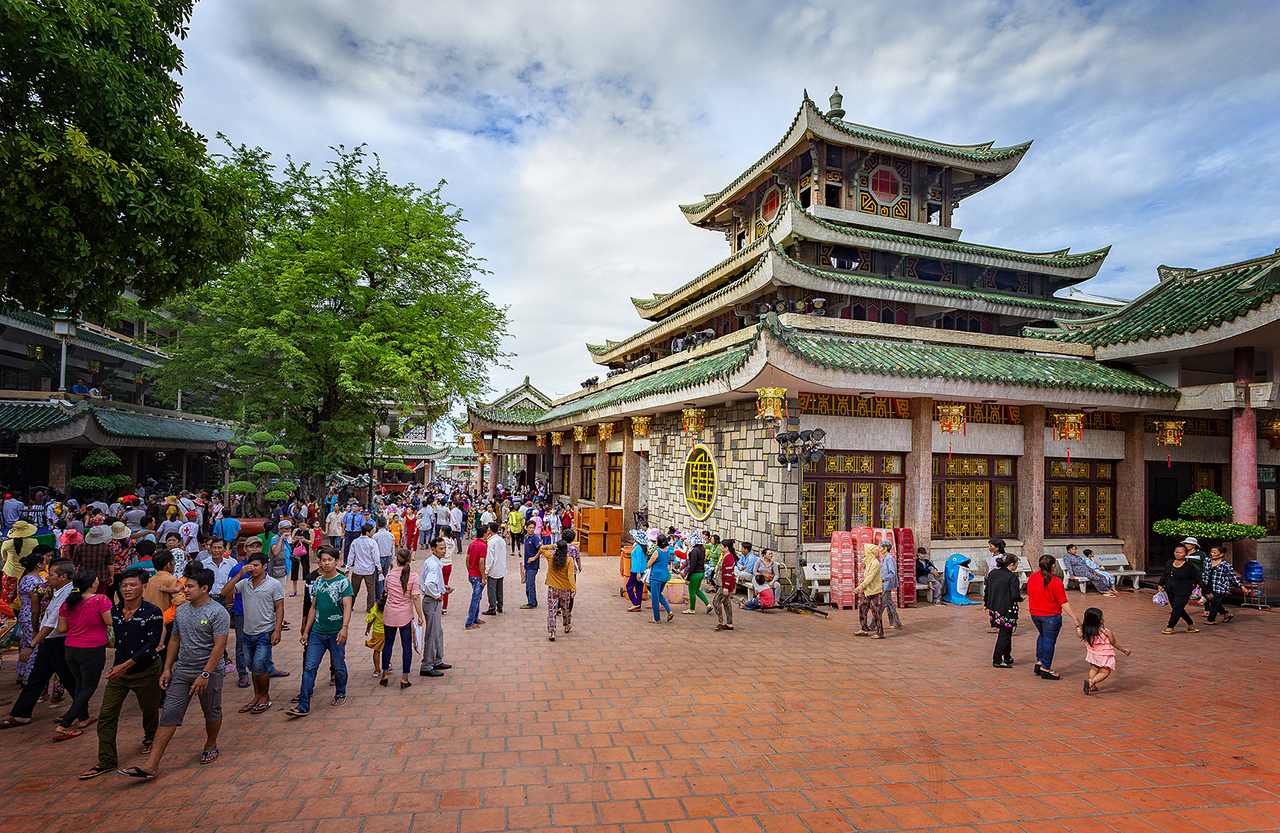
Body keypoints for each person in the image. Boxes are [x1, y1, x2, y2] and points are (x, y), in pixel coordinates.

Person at [118, 567, 229, 777]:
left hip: (209, 673)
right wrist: (167, 668)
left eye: (190, 587)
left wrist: (205, 674)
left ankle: (211, 743)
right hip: (183, 671)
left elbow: (219, 647)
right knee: (169, 714)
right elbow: (175, 639)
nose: (185, 590)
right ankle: (151, 764)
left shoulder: (217, 612)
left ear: (204, 589)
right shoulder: (182, 610)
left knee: (211, 711)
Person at [79, 568, 163, 779]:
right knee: (107, 715)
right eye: (124, 585)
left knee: (149, 709)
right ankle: (107, 760)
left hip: (146, 670)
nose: (127, 589)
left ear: (143, 587)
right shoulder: (114, 612)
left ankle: (150, 737)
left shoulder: (153, 612)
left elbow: (152, 645)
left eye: (132, 585)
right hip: (119, 675)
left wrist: (123, 666)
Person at [0, 560, 76, 729]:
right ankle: (21, 713)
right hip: (48, 641)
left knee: (67, 678)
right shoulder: (57, 591)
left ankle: (80, 711)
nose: (47, 577)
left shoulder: (67, 594)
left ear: (63, 577)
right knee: (37, 678)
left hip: (57, 641)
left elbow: (51, 624)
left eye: (51, 575)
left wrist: (31, 645)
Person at [287, 547, 353, 717]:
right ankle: (303, 704)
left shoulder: (343, 582)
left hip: (336, 632)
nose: (326, 563)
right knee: (309, 667)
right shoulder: (317, 582)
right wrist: (306, 631)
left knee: (338, 666)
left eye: (330, 560)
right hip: (317, 631)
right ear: (319, 562)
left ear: (336, 561)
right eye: (323, 560)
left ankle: (340, 692)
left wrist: (344, 627)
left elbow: (347, 606)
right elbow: (313, 608)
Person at [53, 570, 113, 741]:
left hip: (71, 648)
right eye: (96, 580)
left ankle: (84, 717)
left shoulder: (67, 603)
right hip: (91, 649)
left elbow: (61, 629)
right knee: (88, 687)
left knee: (80, 683)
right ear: (92, 584)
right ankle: (65, 724)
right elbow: (109, 621)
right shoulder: (100, 599)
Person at [222, 552, 284, 715]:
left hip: (265, 632)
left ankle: (265, 697)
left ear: (265, 566)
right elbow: (225, 591)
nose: (253, 568)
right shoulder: (244, 583)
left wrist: (277, 630)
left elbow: (279, 607)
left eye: (257, 565)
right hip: (247, 632)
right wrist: (240, 574)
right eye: (251, 565)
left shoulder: (273, 584)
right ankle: (257, 696)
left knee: (259, 665)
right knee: (253, 667)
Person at [1026, 554, 1080, 681]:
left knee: (1042, 636)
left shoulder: (1033, 577)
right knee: (1049, 640)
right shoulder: (1055, 582)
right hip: (1050, 615)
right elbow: (1063, 601)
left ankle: (1040, 661)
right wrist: (1074, 617)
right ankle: (1046, 667)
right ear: (1053, 566)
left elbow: (1029, 592)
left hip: (1035, 613)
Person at [380, 548, 423, 689]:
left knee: (388, 644)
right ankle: (405, 677)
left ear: (396, 561)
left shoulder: (390, 575)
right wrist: (420, 616)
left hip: (390, 614)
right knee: (406, 646)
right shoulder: (414, 576)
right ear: (409, 560)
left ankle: (384, 674)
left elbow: (385, 592)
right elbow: (416, 597)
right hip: (405, 615)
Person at [418, 536, 453, 678]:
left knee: (437, 631)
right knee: (432, 634)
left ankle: (437, 660)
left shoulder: (435, 562)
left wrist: (442, 588)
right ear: (433, 549)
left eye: (444, 548)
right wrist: (437, 594)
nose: (443, 551)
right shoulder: (433, 564)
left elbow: (432, 582)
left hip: (434, 601)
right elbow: (428, 584)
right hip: (431, 602)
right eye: (441, 548)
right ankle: (427, 665)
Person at [1078, 607, 1131, 695]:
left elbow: (1080, 635)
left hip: (1093, 653)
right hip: (1104, 654)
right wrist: (1123, 650)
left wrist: (1079, 628)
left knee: (1094, 669)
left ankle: (1093, 687)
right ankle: (1092, 682)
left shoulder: (1086, 631)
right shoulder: (1106, 632)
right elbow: (1114, 643)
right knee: (1105, 672)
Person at [985, 554, 1022, 668]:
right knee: (1005, 634)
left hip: (995, 608)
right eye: (1016, 564)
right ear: (1011, 565)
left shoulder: (993, 573)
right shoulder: (1012, 577)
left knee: (1007, 632)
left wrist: (986, 603)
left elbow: (987, 589)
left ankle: (1007, 656)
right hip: (1007, 609)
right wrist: (1021, 599)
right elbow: (1015, 595)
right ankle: (997, 659)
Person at [1158, 544, 1201, 635]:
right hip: (1171, 589)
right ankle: (1190, 623)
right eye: (1176, 552)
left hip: (1184, 591)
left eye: (1180, 553)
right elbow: (1165, 574)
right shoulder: (1170, 562)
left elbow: (1197, 578)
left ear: (1186, 554)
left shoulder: (1189, 566)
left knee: (1177, 608)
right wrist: (1160, 584)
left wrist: (1207, 591)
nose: (1178, 554)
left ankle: (1170, 627)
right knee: (1177, 608)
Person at [543, 538, 576, 641]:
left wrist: (551, 546)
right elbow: (571, 576)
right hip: (565, 589)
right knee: (565, 608)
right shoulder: (569, 560)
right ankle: (566, 626)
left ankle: (552, 632)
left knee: (552, 610)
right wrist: (573, 589)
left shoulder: (550, 557)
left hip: (552, 588)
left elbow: (542, 548)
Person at [1202, 545, 1242, 625]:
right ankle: (1225, 613)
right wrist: (1201, 583)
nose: (1212, 554)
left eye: (1215, 552)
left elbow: (1233, 576)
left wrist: (1241, 586)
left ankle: (1211, 619)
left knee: (1214, 602)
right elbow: (1204, 573)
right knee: (1213, 601)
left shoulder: (1225, 565)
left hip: (1219, 586)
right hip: (1208, 584)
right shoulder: (1207, 561)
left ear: (1221, 554)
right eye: (1212, 552)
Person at [346, 523, 380, 613]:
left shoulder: (355, 542)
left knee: (354, 589)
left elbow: (351, 556)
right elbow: (376, 557)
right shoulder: (372, 542)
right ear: (368, 533)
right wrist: (379, 567)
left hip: (358, 569)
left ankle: (350, 606)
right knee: (371, 590)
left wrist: (347, 568)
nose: (373, 533)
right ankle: (370, 608)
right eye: (372, 531)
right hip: (369, 570)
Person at [854, 544, 885, 638]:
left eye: (865, 550)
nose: (863, 552)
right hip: (867, 591)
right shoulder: (867, 562)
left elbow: (870, 578)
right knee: (862, 609)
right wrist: (863, 581)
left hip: (874, 591)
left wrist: (859, 587)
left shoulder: (875, 563)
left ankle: (880, 633)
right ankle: (864, 628)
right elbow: (867, 577)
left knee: (876, 612)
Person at [646, 534, 674, 624]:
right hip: (664, 576)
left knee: (655, 598)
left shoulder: (657, 552)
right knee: (659, 595)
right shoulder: (668, 551)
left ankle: (657, 618)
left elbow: (649, 564)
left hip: (656, 577)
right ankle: (669, 611)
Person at [463, 528, 488, 631]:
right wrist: (483, 577)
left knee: (477, 597)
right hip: (478, 575)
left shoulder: (472, 544)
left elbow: (467, 559)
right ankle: (469, 622)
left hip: (472, 574)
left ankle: (475, 618)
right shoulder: (483, 546)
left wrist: (470, 571)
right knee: (475, 598)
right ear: (485, 534)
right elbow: (481, 562)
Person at [483, 522, 507, 616]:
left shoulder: (491, 542)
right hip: (501, 567)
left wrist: (486, 570)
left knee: (492, 589)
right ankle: (499, 605)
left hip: (493, 568)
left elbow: (489, 558)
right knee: (499, 588)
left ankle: (492, 607)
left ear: (489, 529)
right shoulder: (501, 540)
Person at [713, 540, 737, 631]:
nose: (720, 548)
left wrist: (726, 587)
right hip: (721, 584)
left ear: (726, 548)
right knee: (727, 603)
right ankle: (729, 623)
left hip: (724, 585)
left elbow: (729, 574)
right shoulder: (725, 556)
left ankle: (721, 621)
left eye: (721, 546)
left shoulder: (729, 558)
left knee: (716, 601)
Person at [682, 542, 711, 615]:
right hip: (701, 572)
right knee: (697, 590)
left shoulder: (695, 551)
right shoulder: (702, 549)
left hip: (695, 574)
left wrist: (688, 578)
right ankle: (708, 604)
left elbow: (693, 565)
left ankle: (692, 609)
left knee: (692, 591)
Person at [879, 541, 902, 630]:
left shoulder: (889, 559)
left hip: (887, 584)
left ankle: (872, 623)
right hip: (884, 584)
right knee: (890, 604)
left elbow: (892, 572)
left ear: (885, 548)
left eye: (881, 547)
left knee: (881, 605)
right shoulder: (884, 559)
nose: (880, 549)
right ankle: (896, 622)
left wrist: (884, 579)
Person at [519, 519, 542, 610]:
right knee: (529, 583)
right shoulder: (526, 537)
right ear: (526, 528)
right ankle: (533, 601)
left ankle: (531, 602)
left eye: (533, 528)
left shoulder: (535, 538)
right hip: (527, 565)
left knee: (530, 584)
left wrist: (534, 558)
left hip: (533, 565)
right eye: (530, 528)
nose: (532, 530)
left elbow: (541, 549)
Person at [372, 517, 396, 598]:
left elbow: (374, 551)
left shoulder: (375, 536)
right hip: (387, 558)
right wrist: (391, 561)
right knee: (385, 578)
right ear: (386, 524)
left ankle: (380, 598)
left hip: (378, 559)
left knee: (378, 580)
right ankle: (384, 597)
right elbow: (393, 550)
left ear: (377, 524)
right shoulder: (391, 535)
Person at [625, 531, 647, 612]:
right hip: (642, 571)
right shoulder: (642, 547)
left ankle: (635, 603)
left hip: (636, 571)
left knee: (628, 587)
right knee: (639, 588)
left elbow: (639, 561)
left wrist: (638, 573)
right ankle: (638, 604)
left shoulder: (638, 548)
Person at [365, 593, 386, 675]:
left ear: (381, 596)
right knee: (386, 649)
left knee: (376, 650)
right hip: (387, 632)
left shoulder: (376, 607)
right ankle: (387, 665)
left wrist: (367, 629)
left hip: (377, 632)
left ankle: (377, 669)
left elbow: (370, 619)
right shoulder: (389, 607)